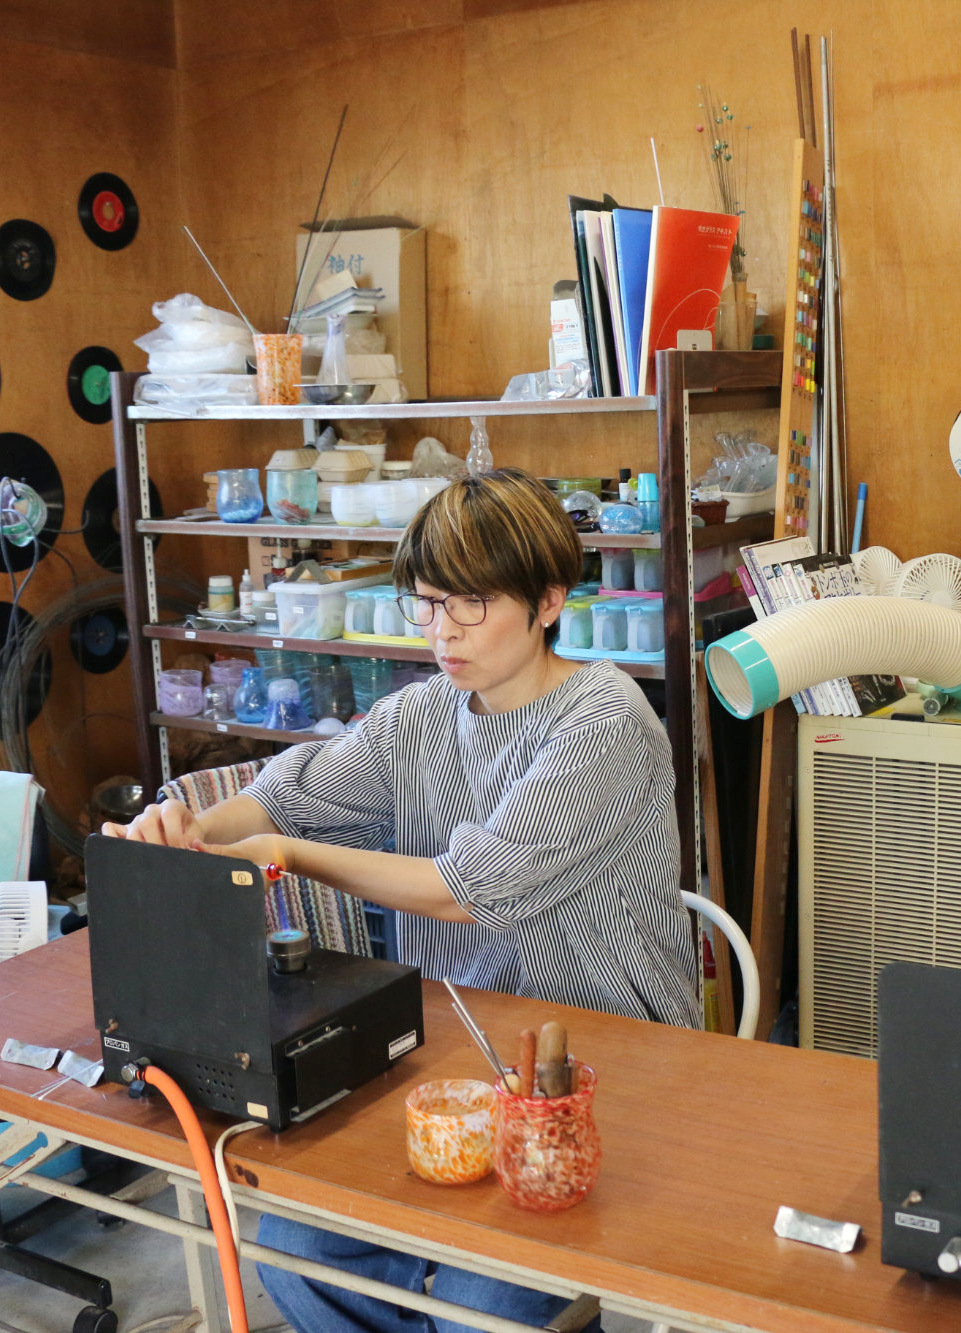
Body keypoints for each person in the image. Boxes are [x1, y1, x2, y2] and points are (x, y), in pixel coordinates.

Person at [105, 467, 697, 1331]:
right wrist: (189, 828)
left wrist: (283, 855)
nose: (442, 630)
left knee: (481, 1301)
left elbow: (466, 890)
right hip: (460, 1042)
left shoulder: (606, 722)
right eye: (426, 602)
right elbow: (284, 796)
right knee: (292, 1248)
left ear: (548, 601)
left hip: (605, 1053)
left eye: (470, 603)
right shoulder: (422, 714)